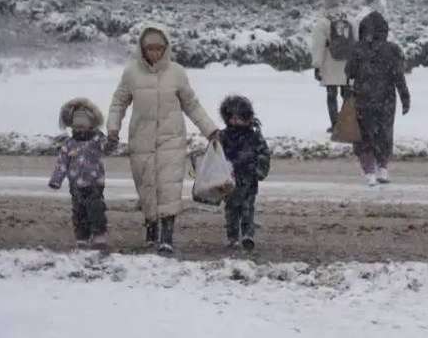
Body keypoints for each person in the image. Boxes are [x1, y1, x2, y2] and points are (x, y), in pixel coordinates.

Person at [106, 24, 220, 256]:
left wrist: (210, 130)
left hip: (172, 139)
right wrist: (112, 128)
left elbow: (191, 104)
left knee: (169, 186)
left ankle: (166, 236)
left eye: (159, 48)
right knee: (147, 186)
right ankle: (151, 227)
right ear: (142, 48)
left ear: (166, 47)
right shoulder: (131, 73)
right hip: (141, 140)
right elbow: (119, 102)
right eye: (150, 48)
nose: (154, 53)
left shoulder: (177, 72)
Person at [345, 11, 411, 187]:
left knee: (364, 136)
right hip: (386, 100)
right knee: (384, 133)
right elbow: (399, 77)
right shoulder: (393, 50)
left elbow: (349, 73)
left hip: (362, 98)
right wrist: (405, 98)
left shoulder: (358, 49)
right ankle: (382, 168)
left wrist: (346, 93)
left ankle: (369, 172)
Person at [48, 98, 109, 251]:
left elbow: (108, 147)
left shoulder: (97, 140)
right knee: (79, 212)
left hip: (95, 183)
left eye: (83, 126)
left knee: (96, 208)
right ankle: (82, 237)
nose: (79, 130)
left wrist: (112, 140)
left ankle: (99, 234)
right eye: (76, 127)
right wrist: (56, 180)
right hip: (75, 186)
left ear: (91, 125)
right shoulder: (69, 144)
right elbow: (62, 163)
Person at [218, 95, 271, 251]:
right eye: (232, 117)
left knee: (248, 208)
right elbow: (217, 155)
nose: (235, 121)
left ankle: (248, 234)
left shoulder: (254, 136)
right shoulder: (224, 136)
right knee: (231, 210)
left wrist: (257, 169)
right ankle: (232, 237)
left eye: (239, 117)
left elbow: (264, 153)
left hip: (248, 179)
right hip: (230, 180)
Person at [311, 0, 357, 130]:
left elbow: (318, 46)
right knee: (347, 94)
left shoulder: (323, 22)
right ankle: (347, 122)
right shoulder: (350, 19)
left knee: (331, 95)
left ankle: (335, 124)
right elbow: (356, 41)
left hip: (329, 64)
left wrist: (317, 65)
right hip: (347, 63)